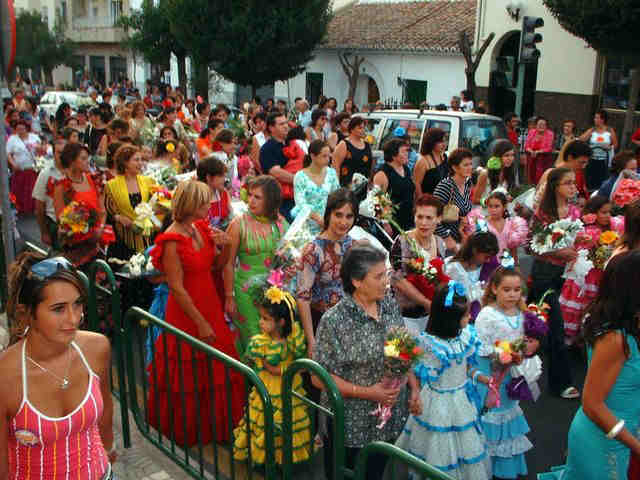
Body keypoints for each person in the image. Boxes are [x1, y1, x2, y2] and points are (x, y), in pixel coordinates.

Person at [0, 253, 116, 479]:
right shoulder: (5, 376)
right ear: (27, 314)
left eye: (78, 304)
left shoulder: (97, 348)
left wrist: (107, 450)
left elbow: (106, 413)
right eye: (59, 309)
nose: (74, 319)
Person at [146, 180, 244, 446]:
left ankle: (217, 427)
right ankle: (191, 431)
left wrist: (225, 246)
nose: (210, 204)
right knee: (188, 371)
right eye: (204, 202)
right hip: (187, 313)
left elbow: (218, 266)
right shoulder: (171, 240)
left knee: (218, 364)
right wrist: (200, 323)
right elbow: (176, 288)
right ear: (191, 205)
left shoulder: (201, 228)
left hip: (209, 303)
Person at [313, 245, 420, 480]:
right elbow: (318, 377)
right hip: (351, 424)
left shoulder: (389, 306)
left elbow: (402, 348)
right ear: (357, 281)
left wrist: (414, 386)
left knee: (375, 472)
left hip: (387, 420)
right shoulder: (335, 321)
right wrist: (369, 393)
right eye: (379, 276)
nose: (386, 282)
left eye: (387, 274)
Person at [539, 252, 640, 480]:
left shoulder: (627, 325)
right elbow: (592, 404)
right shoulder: (615, 339)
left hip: (623, 435)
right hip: (604, 440)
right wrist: (635, 445)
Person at [396, 282, 492, 480]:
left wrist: (481, 378)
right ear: (451, 320)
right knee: (437, 448)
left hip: (462, 401)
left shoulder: (465, 335)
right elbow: (405, 360)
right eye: (466, 315)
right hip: (437, 404)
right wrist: (414, 389)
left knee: (466, 448)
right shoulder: (430, 345)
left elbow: (465, 367)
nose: (471, 317)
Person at [233, 283, 311, 465]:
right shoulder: (259, 342)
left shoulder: (295, 338)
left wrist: (279, 370)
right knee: (265, 419)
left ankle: (283, 459)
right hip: (266, 386)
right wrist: (258, 365)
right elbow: (250, 363)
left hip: (290, 388)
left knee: (286, 421)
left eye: (266, 319)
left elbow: (304, 366)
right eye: (261, 317)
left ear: (281, 322)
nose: (260, 322)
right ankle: (265, 458)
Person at [476, 266, 537, 479]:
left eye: (517, 290)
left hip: (512, 372)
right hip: (492, 374)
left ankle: (505, 468)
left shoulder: (521, 313)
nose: (512, 295)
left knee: (508, 417)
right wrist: (505, 353)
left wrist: (527, 348)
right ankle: (485, 467)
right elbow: (481, 348)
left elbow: (527, 339)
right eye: (507, 290)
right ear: (494, 289)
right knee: (492, 416)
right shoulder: (487, 314)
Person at [528, 167, 581, 399]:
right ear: (555, 186)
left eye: (573, 183)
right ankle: (561, 384)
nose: (573, 187)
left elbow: (574, 240)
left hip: (566, 274)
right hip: (545, 274)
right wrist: (560, 252)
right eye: (567, 183)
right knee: (555, 327)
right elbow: (532, 245)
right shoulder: (543, 213)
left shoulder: (573, 212)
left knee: (536, 325)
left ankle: (523, 371)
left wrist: (582, 242)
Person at [224, 176, 288, 350]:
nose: (250, 201)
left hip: (274, 292)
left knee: (275, 338)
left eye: (257, 197)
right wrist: (229, 297)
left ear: (270, 200)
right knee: (254, 339)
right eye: (250, 195)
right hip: (245, 293)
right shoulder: (238, 224)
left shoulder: (281, 223)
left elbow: (291, 255)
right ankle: (253, 377)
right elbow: (228, 264)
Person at [296, 188, 357, 358]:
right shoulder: (313, 250)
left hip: (349, 323)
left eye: (349, 216)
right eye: (338, 215)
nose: (343, 222)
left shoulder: (353, 244)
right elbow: (302, 297)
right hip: (320, 325)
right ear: (328, 214)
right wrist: (311, 340)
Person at [559, 195, 625, 344]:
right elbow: (579, 254)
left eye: (609, 212)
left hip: (605, 276)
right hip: (588, 277)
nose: (608, 216)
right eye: (603, 212)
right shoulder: (587, 232)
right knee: (584, 306)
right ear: (593, 213)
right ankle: (580, 338)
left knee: (598, 308)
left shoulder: (614, 226)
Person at [390, 194, 447, 334]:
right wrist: (427, 304)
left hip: (430, 314)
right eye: (419, 217)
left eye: (429, 218)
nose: (423, 223)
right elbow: (399, 281)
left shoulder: (440, 243)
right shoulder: (402, 242)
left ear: (439, 219)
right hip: (404, 315)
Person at [53, 143, 107, 268]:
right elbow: (61, 219)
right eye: (83, 158)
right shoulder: (61, 186)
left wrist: (100, 228)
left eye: (87, 158)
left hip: (96, 243)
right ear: (72, 161)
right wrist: (83, 230)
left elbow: (102, 210)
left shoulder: (92, 180)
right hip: (75, 247)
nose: (87, 161)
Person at [104, 145, 158, 261]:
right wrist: (118, 217)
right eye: (136, 160)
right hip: (123, 238)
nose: (140, 163)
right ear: (125, 162)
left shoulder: (149, 181)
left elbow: (157, 205)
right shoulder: (111, 185)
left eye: (141, 160)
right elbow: (107, 210)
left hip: (146, 235)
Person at [445, 230, 499, 322]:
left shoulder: (489, 266)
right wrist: (478, 291)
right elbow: (451, 299)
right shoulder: (453, 269)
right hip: (459, 318)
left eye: (491, 257)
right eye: (486, 257)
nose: (488, 260)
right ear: (475, 250)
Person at [292, 139, 340, 234]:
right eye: (324, 156)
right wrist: (317, 218)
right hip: (306, 226)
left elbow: (338, 197)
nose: (328, 159)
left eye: (329, 156)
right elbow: (300, 203)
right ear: (313, 156)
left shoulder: (331, 173)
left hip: (328, 224)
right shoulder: (300, 176)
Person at [433, 148, 474, 250]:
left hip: (463, 240)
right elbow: (432, 217)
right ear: (455, 168)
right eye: (465, 165)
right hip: (445, 244)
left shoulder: (468, 184)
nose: (470, 168)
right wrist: (447, 238)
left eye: (470, 164)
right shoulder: (445, 186)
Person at [373, 137, 415, 232]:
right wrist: (385, 223)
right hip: (392, 223)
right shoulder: (382, 174)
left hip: (408, 220)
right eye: (403, 152)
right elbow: (377, 202)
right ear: (393, 155)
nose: (407, 154)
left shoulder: (406, 169)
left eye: (407, 151)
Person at [534, 139, 591, 210]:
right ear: (570, 157)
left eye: (586, 163)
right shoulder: (551, 173)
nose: (584, 166)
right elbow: (538, 203)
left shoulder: (576, 173)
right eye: (581, 162)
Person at [260, 112, 294, 221]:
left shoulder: (291, 144)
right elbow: (276, 172)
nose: (286, 126)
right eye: (281, 124)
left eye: (286, 123)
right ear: (271, 128)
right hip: (278, 200)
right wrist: (300, 179)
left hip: (295, 197)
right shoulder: (267, 148)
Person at [32, 138, 66, 249]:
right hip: (54, 225)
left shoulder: (75, 171)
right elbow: (39, 207)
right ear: (54, 153)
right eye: (59, 152)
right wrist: (44, 232)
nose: (61, 156)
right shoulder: (45, 174)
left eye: (64, 153)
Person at [479, 191, 529, 261]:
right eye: (490, 206)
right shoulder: (482, 224)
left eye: (497, 206)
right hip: (488, 264)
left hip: (506, 265)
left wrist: (516, 266)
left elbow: (513, 248)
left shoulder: (511, 223)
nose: (493, 210)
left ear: (504, 207)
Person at [7, 119, 42, 214]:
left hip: (32, 168)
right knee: (19, 190)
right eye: (18, 129)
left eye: (22, 129)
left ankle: (34, 208)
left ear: (27, 128)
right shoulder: (12, 139)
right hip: (19, 169)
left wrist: (37, 148)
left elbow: (41, 150)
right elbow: (9, 154)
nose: (20, 131)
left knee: (33, 189)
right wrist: (13, 164)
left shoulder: (34, 137)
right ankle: (19, 208)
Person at [580, 109, 619, 192]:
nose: (595, 120)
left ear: (602, 120)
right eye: (595, 118)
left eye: (597, 118)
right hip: (592, 159)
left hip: (604, 160)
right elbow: (581, 139)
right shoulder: (592, 130)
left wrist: (609, 147)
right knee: (590, 178)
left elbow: (615, 145)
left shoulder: (609, 130)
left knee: (602, 179)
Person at [473, 140, 517, 205]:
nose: (510, 158)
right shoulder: (485, 174)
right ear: (498, 156)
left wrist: (508, 198)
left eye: (512, 155)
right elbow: (475, 199)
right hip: (486, 212)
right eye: (506, 155)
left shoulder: (509, 172)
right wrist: (488, 201)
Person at [333, 116, 374, 187]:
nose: (363, 130)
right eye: (360, 128)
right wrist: (336, 185)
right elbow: (336, 165)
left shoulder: (367, 144)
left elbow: (370, 165)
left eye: (364, 128)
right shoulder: (344, 144)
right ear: (352, 129)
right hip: (347, 186)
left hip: (363, 186)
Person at [413, 128, 449, 198]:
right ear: (432, 142)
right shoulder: (423, 161)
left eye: (445, 141)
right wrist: (423, 202)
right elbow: (416, 184)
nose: (444, 144)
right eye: (440, 142)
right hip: (429, 203)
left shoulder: (444, 157)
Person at [525, 116, 555, 184]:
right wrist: (531, 151)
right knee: (530, 176)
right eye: (539, 124)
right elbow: (527, 145)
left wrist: (538, 152)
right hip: (532, 157)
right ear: (536, 125)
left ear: (546, 126)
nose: (541, 126)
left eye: (544, 125)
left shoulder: (550, 133)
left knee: (541, 177)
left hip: (544, 159)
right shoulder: (531, 132)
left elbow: (549, 148)